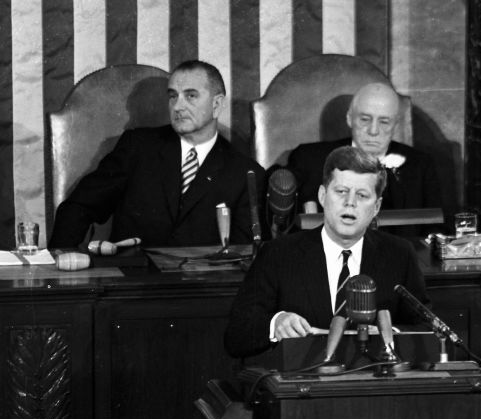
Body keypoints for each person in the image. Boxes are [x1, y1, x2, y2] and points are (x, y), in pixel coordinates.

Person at [225, 146, 429, 359]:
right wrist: (276, 323)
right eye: (341, 191)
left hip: (374, 381)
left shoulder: (398, 254)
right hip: (304, 385)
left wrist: (389, 334)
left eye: (362, 195)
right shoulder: (279, 254)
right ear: (323, 196)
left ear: (376, 206)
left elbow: (425, 327)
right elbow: (236, 336)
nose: (350, 202)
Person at [49, 60, 265, 248]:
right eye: (173, 96)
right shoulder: (138, 148)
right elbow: (79, 207)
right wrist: (60, 261)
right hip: (132, 283)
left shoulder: (245, 173)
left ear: (216, 104)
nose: (178, 106)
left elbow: (245, 254)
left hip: (205, 289)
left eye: (191, 96)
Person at [287, 82, 443, 237]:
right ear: (349, 118)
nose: (373, 131)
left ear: (395, 124)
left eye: (384, 122)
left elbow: (440, 230)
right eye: (365, 119)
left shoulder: (421, 166)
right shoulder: (309, 160)